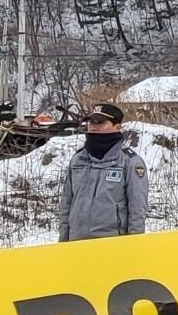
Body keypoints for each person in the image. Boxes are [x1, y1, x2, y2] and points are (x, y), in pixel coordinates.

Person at [57, 102, 148, 242]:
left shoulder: (130, 162)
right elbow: (66, 204)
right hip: (76, 243)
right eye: (91, 121)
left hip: (111, 245)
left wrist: (133, 247)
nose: (93, 126)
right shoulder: (78, 160)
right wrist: (63, 241)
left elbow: (137, 210)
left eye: (100, 122)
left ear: (117, 127)